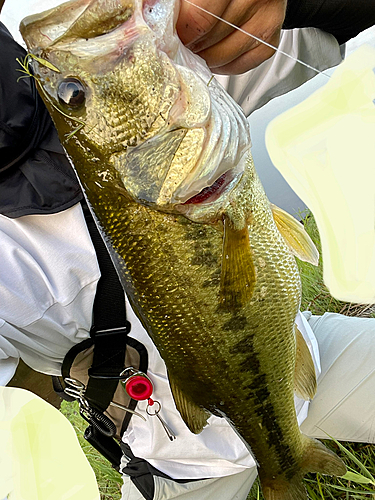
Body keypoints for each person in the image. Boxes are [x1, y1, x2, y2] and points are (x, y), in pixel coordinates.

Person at [0, 2, 375, 500]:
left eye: (73, 93)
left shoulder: (186, 109)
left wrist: (287, 2)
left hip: (303, 369)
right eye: (73, 91)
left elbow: (343, 34)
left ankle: (285, 457)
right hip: (172, 464)